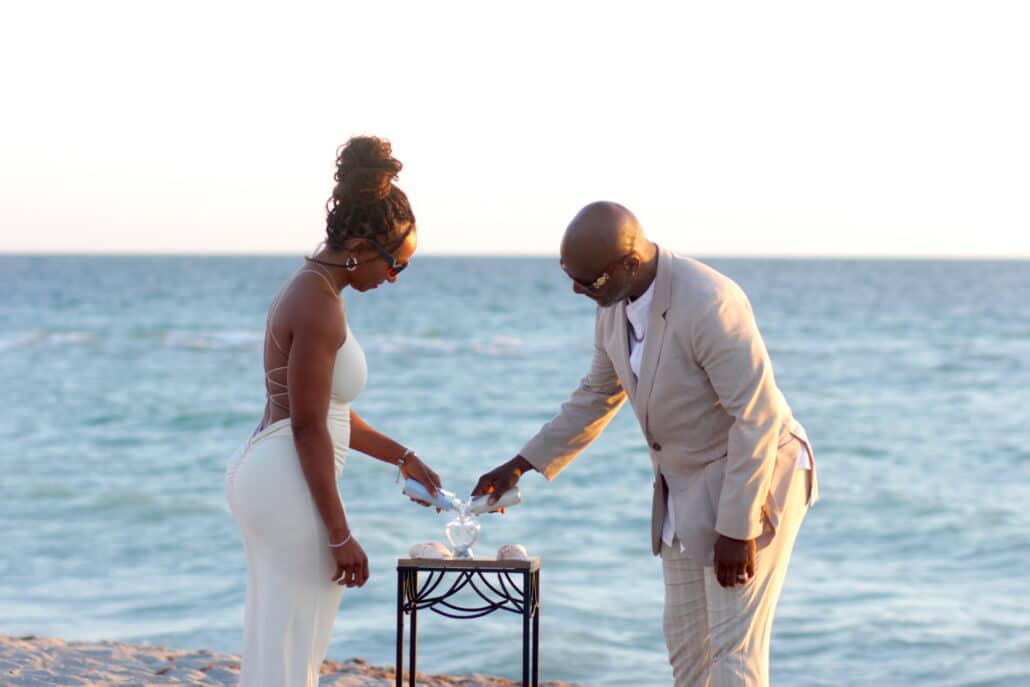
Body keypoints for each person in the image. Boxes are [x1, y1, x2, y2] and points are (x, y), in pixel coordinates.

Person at [472, 201, 818, 687]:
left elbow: (757, 415)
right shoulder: (613, 304)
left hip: (754, 476)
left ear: (629, 265)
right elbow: (597, 394)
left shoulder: (711, 302)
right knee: (686, 646)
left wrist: (738, 527)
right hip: (683, 485)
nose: (577, 290)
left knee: (732, 650)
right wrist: (521, 464)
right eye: (570, 277)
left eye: (587, 281)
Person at [225, 136, 443, 687]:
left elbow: (325, 411)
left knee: (283, 639)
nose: (393, 277)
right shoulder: (319, 304)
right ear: (358, 243)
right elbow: (306, 426)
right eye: (396, 263)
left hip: (273, 472)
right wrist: (340, 533)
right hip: (286, 478)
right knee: (292, 644)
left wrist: (403, 456)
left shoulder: (315, 289)